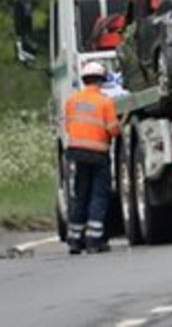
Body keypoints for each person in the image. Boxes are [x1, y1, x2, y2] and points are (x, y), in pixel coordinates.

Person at [65, 62, 121, 254]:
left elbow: (68, 127)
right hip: (98, 155)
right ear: (102, 80)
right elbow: (113, 130)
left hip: (77, 152)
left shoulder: (72, 101)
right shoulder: (105, 102)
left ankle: (74, 240)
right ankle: (93, 241)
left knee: (80, 195)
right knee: (98, 195)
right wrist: (120, 126)